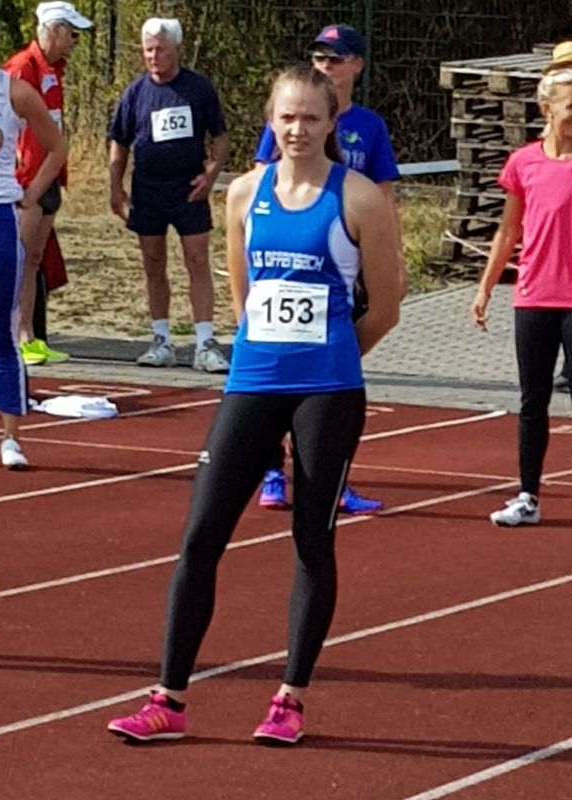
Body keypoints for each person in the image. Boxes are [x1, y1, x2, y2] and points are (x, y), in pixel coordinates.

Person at [107, 64, 400, 745]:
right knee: (200, 536)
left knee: (311, 539)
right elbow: (244, 300)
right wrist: (268, 357)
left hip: (327, 389)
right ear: (270, 121)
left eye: (311, 118)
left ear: (332, 123)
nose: (298, 130)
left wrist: (330, 359)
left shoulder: (359, 199)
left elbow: (386, 307)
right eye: (286, 117)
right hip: (252, 382)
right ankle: (168, 699)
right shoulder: (243, 193)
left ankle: (290, 699)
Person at [254, 23, 407, 515]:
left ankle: (332, 475)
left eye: (336, 59)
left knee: (333, 377)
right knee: (276, 364)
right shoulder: (289, 117)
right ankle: (273, 469)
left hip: (347, 257)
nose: (326, 66)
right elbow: (260, 182)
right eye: (320, 57)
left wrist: (394, 258)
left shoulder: (369, 126)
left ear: (356, 66)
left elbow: (384, 195)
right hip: (293, 257)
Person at [470, 42, 572, 527]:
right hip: (534, 296)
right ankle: (527, 494)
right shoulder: (524, 163)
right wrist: (485, 287)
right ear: (548, 109)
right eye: (570, 104)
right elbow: (508, 231)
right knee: (533, 400)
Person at [0, 5, 66, 467]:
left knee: (3, 330)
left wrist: (31, 194)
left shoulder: (14, 90)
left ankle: (11, 436)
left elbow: (56, 145)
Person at [109, 17, 230, 373]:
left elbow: (221, 137)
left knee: (197, 260)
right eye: (148, 50)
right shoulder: (135, 93)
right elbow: (119, 142)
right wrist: (115, 186)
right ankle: (161, 339)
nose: (153, 56)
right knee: (153, 262)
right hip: (148, 191)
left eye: (160, 49)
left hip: (188, 190)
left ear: (176, 49)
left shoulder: (198, 88)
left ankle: (205, 342)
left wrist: (210, 175)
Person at [3, 1, 93, 367]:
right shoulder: (22, 68)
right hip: (28, 180)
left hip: (49, 175)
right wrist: (26, 181)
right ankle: (11, 335)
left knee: (33, 258)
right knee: (18, 257)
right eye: (71, 33)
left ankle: (29, 334)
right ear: (53, 31)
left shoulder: (54, 69)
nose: (75, 40)